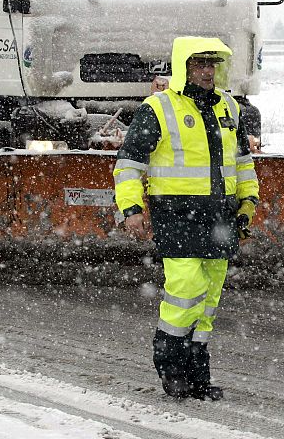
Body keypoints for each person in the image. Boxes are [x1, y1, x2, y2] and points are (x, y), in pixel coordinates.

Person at [113, 36, 259, 401]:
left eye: (212, 64)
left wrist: (247, 204)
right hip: (177, 216)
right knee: (185, 291)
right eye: (199, 64)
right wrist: (131, 209)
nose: (208, 71)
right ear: (183, 68)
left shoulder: (229, 108)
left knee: (208, 299)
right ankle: (170, 367)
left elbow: (242, 164)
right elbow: (129, 165)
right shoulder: (158, 108)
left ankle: (198, 376)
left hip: (221, 216)